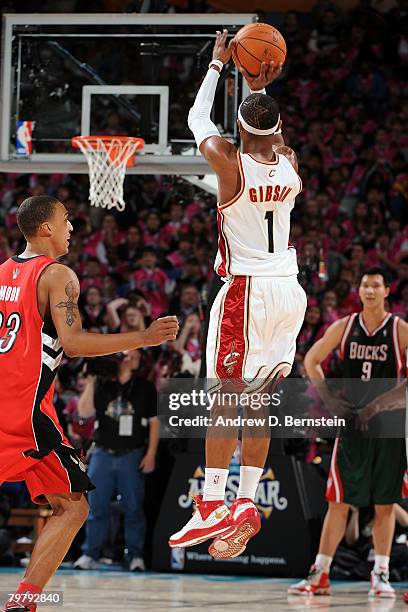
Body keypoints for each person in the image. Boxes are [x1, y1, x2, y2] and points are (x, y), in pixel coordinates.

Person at [0, 195, 178, 612]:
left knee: (71, 504)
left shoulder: (3, 272)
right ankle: (22, 601)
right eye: (65, 220)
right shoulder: (58, 274)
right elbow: (75, 343)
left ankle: (23, 602)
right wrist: (144, 338)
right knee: (73, 506)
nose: (72, 228)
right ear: (45, 228)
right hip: (23, 411)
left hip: (15, 403)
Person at [169, 31, 306, 557]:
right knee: (261, 402)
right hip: (289, 293)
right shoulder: (290, 162)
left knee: (224, 399)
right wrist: (254, 84)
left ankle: (209, 506)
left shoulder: (229, 163)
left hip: (246, 292)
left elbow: (196, 123)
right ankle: (246, 501)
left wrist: (217, 67)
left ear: (243, 130)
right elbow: (269, 128)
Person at [289, 267, 407, 599]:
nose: (370, 290)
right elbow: (312, 360)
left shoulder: (399, 330)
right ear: (359, 290)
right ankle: (320, 573)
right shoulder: (344, 327)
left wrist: (380, 405)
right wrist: (329, 400)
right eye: (365, 285)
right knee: (337, 502)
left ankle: (380, 574)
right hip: (353, 427)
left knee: (385, 504)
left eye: (376, 286)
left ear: (387, 291)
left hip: (388, 428)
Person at [74, 349, 158, 572]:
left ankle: (136, 555)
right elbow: (84, 412)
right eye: (125, 355)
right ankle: (89, 553)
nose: (129, 359)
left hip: (132, 453)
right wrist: (91, 381)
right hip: (102, 452)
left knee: (133, 507)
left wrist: (151, 453)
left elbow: (154, 423)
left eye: (134, 357)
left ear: (139, 363)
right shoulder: (104, 384)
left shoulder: (145, 387)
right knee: (95, 507)